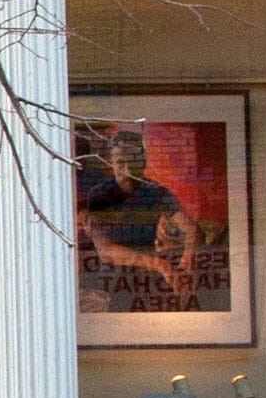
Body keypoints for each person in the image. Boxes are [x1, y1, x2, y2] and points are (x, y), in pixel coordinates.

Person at [77, 128, 204, 311]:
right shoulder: (99, 195)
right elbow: (106, 251)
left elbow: (193, 230)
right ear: (111, 164)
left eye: (133, 163)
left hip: (150, 280)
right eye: (120, 163)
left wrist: (186, 264)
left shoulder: (156, 192)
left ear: (143, 162)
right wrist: (160, 265)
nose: (127, 170)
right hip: (114, 282)